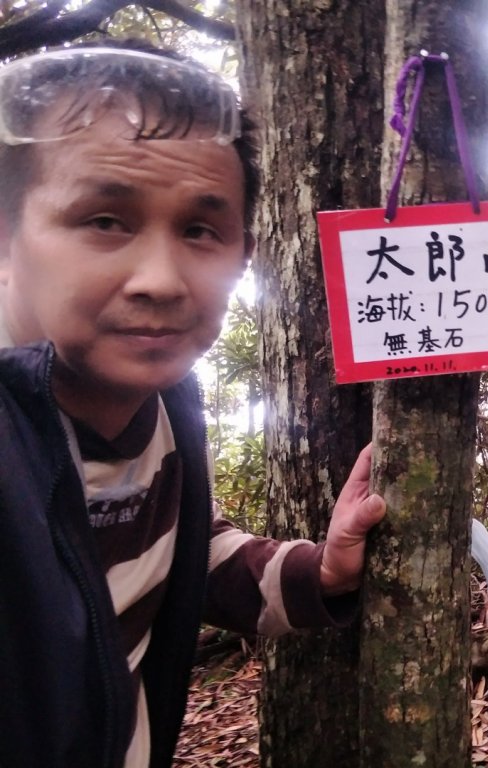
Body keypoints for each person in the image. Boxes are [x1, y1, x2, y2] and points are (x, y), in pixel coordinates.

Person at [0, 42, 386, 768]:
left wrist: (321, 572)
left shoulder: (165, 402)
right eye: (105, 220)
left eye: (199, 230)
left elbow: (182, 552)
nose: (161, 280)